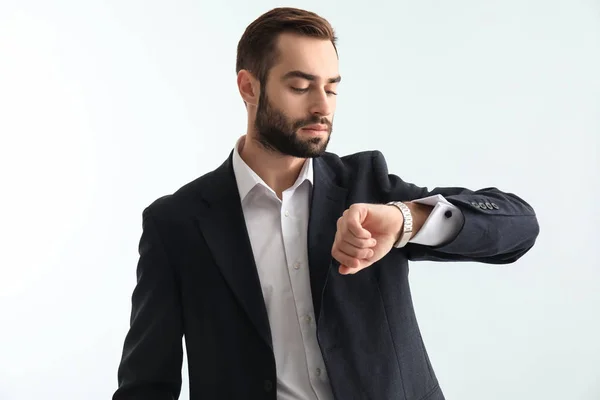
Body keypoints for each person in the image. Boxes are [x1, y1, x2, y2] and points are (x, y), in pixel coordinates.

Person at [112, 7, 539, 400]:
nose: (321, 107)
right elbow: (146, 384)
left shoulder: (368, 186)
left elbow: (518, 226)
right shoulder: (178, 223)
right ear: (248, 87)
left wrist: (405, 219)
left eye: (331, 89)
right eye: (300, 86)